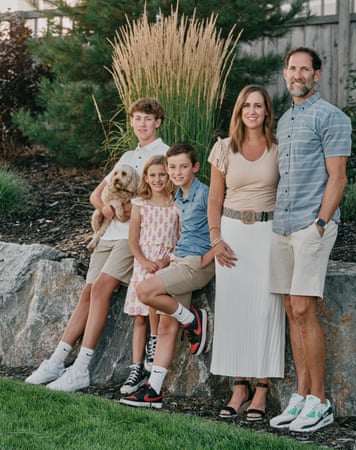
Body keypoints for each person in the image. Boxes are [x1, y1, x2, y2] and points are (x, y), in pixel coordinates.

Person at [25, 98, 169, 392]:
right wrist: (106, 209)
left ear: (158, 122)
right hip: (109, 232)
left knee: (103, 286)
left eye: (147, 118)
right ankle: (57, 359)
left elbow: (161, 197)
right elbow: (97, 196)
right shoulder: (128, 155)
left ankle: (82, 368)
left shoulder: (164, 154)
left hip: (134, 237)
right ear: (131, 122)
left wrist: (130, 210)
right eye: (137, 118)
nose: (141, 124)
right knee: (88, 292)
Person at [268, 47, 351, 432]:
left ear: (316, 75)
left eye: (305, 69)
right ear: (285, 74)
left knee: (303, 308)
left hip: (310, 226)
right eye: (292, 68)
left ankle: (320, 400)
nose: (297, 74)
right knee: (291, 310)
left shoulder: (331, 117)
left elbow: (338, 177)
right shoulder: (284, 120)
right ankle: (301, 396)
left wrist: (320, 222)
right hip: (282, 226)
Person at [207, 85, 285, 421]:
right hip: (232, 235)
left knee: (267, 309)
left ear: (267, 111)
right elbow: (214, 198)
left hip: (267, 234)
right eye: (246, 106)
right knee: (235, 309)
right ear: (238, 112)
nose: (252, 111)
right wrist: (216, 239)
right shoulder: (224, 148)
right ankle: (238, 387)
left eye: (258, 106)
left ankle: (262, 389)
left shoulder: (279, 148)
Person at [119, 142, 215, 409]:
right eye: (172, 167)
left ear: (195, 167)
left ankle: (193, 319)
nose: (176, 172)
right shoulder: (179, 197)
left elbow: (221, 229)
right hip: (179, 261)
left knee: (145, 291)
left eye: (183, 166)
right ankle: (154, 390)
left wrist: (205, 260)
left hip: (194, 264)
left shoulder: (205, 194)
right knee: (165, 326)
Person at [119, 155, 180, 395]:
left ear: (169, 176)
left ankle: (153, 346)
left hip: (166, 263)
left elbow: (180, 237)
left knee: (156, 305)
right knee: (139, 317)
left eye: (162, 175)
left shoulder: (176, 204)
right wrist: (144, 261)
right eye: (152, 175)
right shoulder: (140, 204)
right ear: (145, 177)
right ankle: (136, 367)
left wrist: (165, 259)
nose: (157, 179)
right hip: (143, 263)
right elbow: (132, 240)